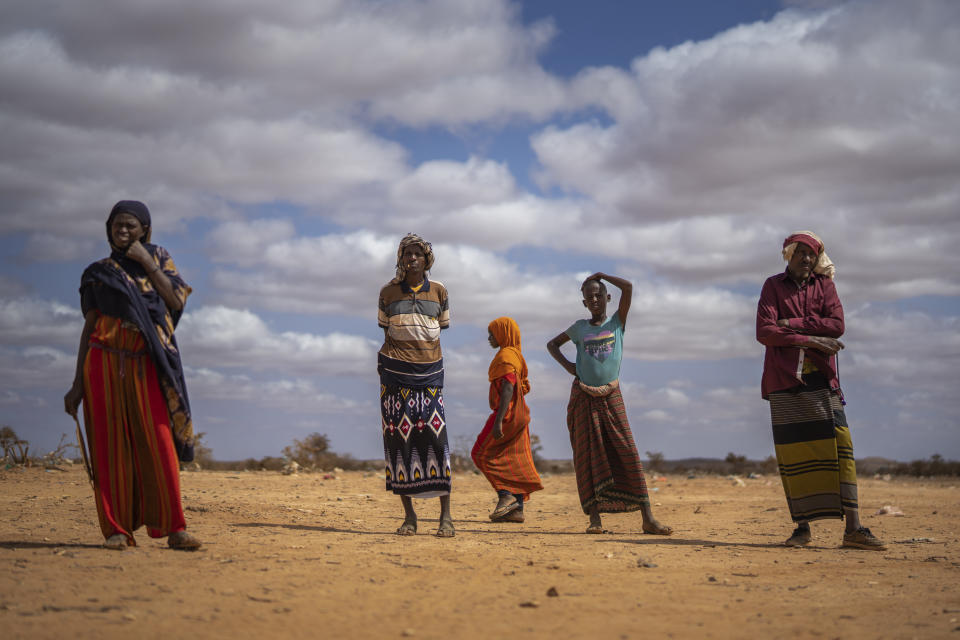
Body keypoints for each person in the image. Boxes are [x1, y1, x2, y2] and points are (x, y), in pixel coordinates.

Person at [63, 200, 201, 551]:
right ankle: (117, 531)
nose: (122, 231)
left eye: (130, 226)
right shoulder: (98, 272)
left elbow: (175, 300)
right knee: (109, 448)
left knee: (159, 444)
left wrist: (145, 261)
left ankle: (175, 529)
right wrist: (77, 382)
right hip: (102, 363)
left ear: (145, 230)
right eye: (116, 225)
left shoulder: (159, 260)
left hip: (146, 362)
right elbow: (89, 327)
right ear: (108, 229)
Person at [757, 230, 884, 550]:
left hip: (823, 381)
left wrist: (790, 324)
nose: (806, 259)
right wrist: (812, 338)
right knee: (794, 456)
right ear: (789, 255)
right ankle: (802, 529)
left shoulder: (824, 286)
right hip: (785, 380)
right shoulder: (772, 286)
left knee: (843, 452)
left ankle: (854, 528)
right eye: (800, 253)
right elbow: (764, 331)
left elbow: (837, 326)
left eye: (811, 254)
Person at [547, 273, 672, 535]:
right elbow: (552, 345)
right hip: (582, 395)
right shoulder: (580, 328)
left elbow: (628, 287)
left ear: (608, 298)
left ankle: (647, 518)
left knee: (627, 450)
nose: (594, 300)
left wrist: (602, 275)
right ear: (583, 302)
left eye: (598, 295)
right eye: (589, 297)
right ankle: (595, 520)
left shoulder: (618, 322)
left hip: (612, 395)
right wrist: (571, 367)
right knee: (588, 454)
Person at [378, 234, 454, 537]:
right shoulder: (387, 292)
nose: (412, 259)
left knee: (437, 444)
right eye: (407, 254)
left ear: (426, 260)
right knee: (400, 445)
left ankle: (445, 517)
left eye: (417, 255)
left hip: (430, 376)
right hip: (394, 378)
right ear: (400, 258)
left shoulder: (439, 291)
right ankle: (409, 517)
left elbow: (441, 328)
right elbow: (386, 331)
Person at [471, 317, 543, 523]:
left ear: (503, 334)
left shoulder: (505, 356)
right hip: (520, 413)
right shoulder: (516, 355)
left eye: (492, 334)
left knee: (480, 453)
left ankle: (506, 496)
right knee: (513, 458)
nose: (488, 338)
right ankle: (516, 510)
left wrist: (499, 420)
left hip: (508, 413)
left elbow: (508, 387)